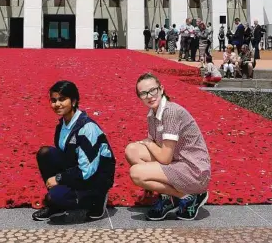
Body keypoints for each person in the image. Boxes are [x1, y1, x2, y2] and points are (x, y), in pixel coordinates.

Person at [125, 73, 210, 221]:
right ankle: (168, 195)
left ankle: (185, 196)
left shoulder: (170, 112)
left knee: (136, 173)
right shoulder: (152, 113)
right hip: (177, 163)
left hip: (193, 170)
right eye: (143, 93)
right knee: (132, 150)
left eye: (153, 90)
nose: (149, 96)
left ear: (161, 89)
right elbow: (159, 149)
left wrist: (148, 142)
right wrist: (148, 143)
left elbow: (164, 158)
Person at [32, 81, 115, 222]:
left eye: (62, 99)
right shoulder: (62, 125)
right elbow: (65, 156)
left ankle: (97, 199)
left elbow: (87, 171)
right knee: (45, 153)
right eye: (53, 100)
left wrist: (59, 178)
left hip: (95, 179)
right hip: (78, 169)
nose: (57, 104)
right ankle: (58, 204)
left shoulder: (87, 128)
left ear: (74, 101)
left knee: (54, 197)